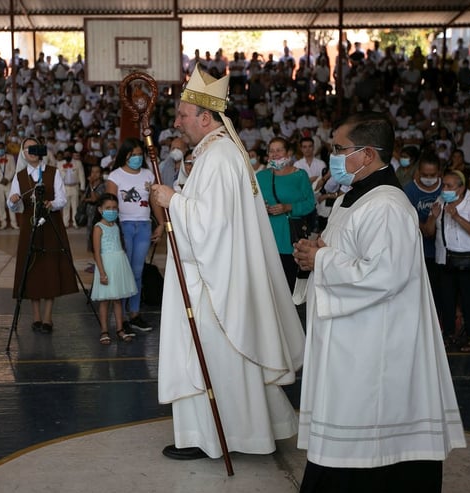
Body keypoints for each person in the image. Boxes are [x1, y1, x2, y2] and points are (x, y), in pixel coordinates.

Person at [286, 112, 465, 493]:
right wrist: (316, 251)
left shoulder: (386, 204)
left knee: (359, 426)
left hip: (376, 343)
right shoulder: (356, 196)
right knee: (354, 431)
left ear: (365, 154)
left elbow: (385, 273)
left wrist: (322, 259)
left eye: (337, 149)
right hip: (353, 335)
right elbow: (348, 250)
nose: (332, 156)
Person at [149, 65, 305, 460]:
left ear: (205, 117)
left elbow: (214, 225)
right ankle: (249, 430)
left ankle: (215, 436)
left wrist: (174, 201)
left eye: (183, 115)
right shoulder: (216, 152)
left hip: (214, 282)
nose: (178, 122)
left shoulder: (218, 156)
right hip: (220, 274)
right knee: (229, 359)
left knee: (219, 356)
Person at [7, 138, 78, 333]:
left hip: (50, 224)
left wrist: (51, 204)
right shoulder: (20, 176)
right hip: (30, 225)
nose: (31, 151)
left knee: (49, 269)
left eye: (34, 147)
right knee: (32, 269)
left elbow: (62, 198)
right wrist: (13, 201)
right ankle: (36, 315)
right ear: (23, 152)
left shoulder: (53, 172)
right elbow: (14, 203)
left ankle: (48, 317)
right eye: (27, 148)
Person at [425, 170, 470, 352]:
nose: (445, 189)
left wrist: (457, 217)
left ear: (461, 188)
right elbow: (429, 232)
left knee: (469, 300)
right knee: (446, 300)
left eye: (449, 186)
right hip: (444, 258)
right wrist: (432, 217)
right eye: (444, 185)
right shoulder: (440, 202)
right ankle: (449, 335)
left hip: (467, 259)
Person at [106, 137, 163, 333]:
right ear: (125, 156)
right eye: (133, 155)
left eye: (140, 155)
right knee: (123, 270)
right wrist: (111, 229)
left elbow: (155, 201)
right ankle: (120, 317)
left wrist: (161, 223)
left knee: (137, 272)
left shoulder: (148, 175)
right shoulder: (115, 176)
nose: (137, 158)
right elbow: (110, 203)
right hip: (124, 225)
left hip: (144, 226)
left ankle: (135, 313)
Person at [256, 136, 316, 290]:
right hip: (266, 234)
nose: (274, 154)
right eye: (271, 151)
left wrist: (288, 207)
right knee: (268, 284)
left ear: (288, 152)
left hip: (289, 237)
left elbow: (310, 203)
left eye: (279, 150)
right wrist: (259, 205)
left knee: (288, 284)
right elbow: (251, 201)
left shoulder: (300, 175)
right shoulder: (260, 176)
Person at [90, 193, 138, 345]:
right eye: (108, 208)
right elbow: (97, 252)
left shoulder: (116, 226)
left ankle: (119, 329)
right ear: (100, 210)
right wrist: (102, 272)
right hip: (106, 267)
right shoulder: (98, 228)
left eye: (114, 208)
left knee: (117, 300)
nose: (112, 211)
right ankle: (104, 330)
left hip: (118, 266)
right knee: (105, 301)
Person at [404, 152, 444, 312]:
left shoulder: (446, 188)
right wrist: (425, 226)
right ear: (418, 172)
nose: (429, 178)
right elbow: (407, 216)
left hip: (440, 250)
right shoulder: (409, 190)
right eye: (425, 175)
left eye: (432, 175)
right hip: (417, 248)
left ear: (439, 173)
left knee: (438, 291)